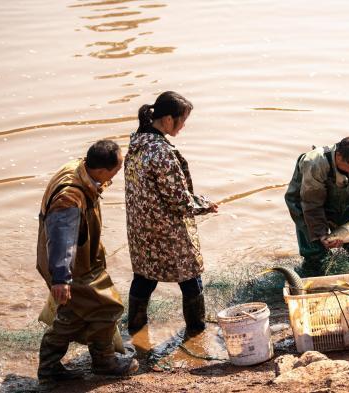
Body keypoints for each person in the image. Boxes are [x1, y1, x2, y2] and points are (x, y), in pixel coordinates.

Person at [36, 140, 138, 382]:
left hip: (78, 259)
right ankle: (103, 362)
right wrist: (62, 279)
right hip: (69, 265)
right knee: (106, 306)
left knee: (77, 312)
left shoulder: (79, 168)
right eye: (116, 170)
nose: (116, 175)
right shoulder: (70, 196)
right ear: (102, 170)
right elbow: (62, 238)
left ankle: (51, 367)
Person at [124, 91, 218, 337]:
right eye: (182, 120)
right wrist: (204, 205)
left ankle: (135, 330)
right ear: (167, 120)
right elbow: (178, 199)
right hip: (167, 231)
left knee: (144, 278)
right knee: (191, 278)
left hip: (140, 229)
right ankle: (197, 332)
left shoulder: (136, 143)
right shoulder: (161, 152)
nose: (183, 126)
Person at [284, 136, 349, 276]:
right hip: (305, 204)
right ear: (338, 156)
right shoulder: (315, 163)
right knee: (316, 251)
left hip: (340, 200)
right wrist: (322, 236)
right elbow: (312, 205)